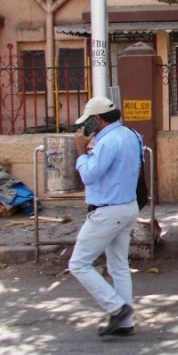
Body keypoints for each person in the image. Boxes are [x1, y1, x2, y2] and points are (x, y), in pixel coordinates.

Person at [69, 96, 143, 338]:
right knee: (118, 266)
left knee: (79, 263)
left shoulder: (108, 142)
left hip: (108, 210)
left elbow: (89, 176)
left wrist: (81, 151)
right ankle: (125, 322)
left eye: (88, 122)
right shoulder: (131, 134)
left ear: (96, 119)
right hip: (127, 206)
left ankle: (117, 307)